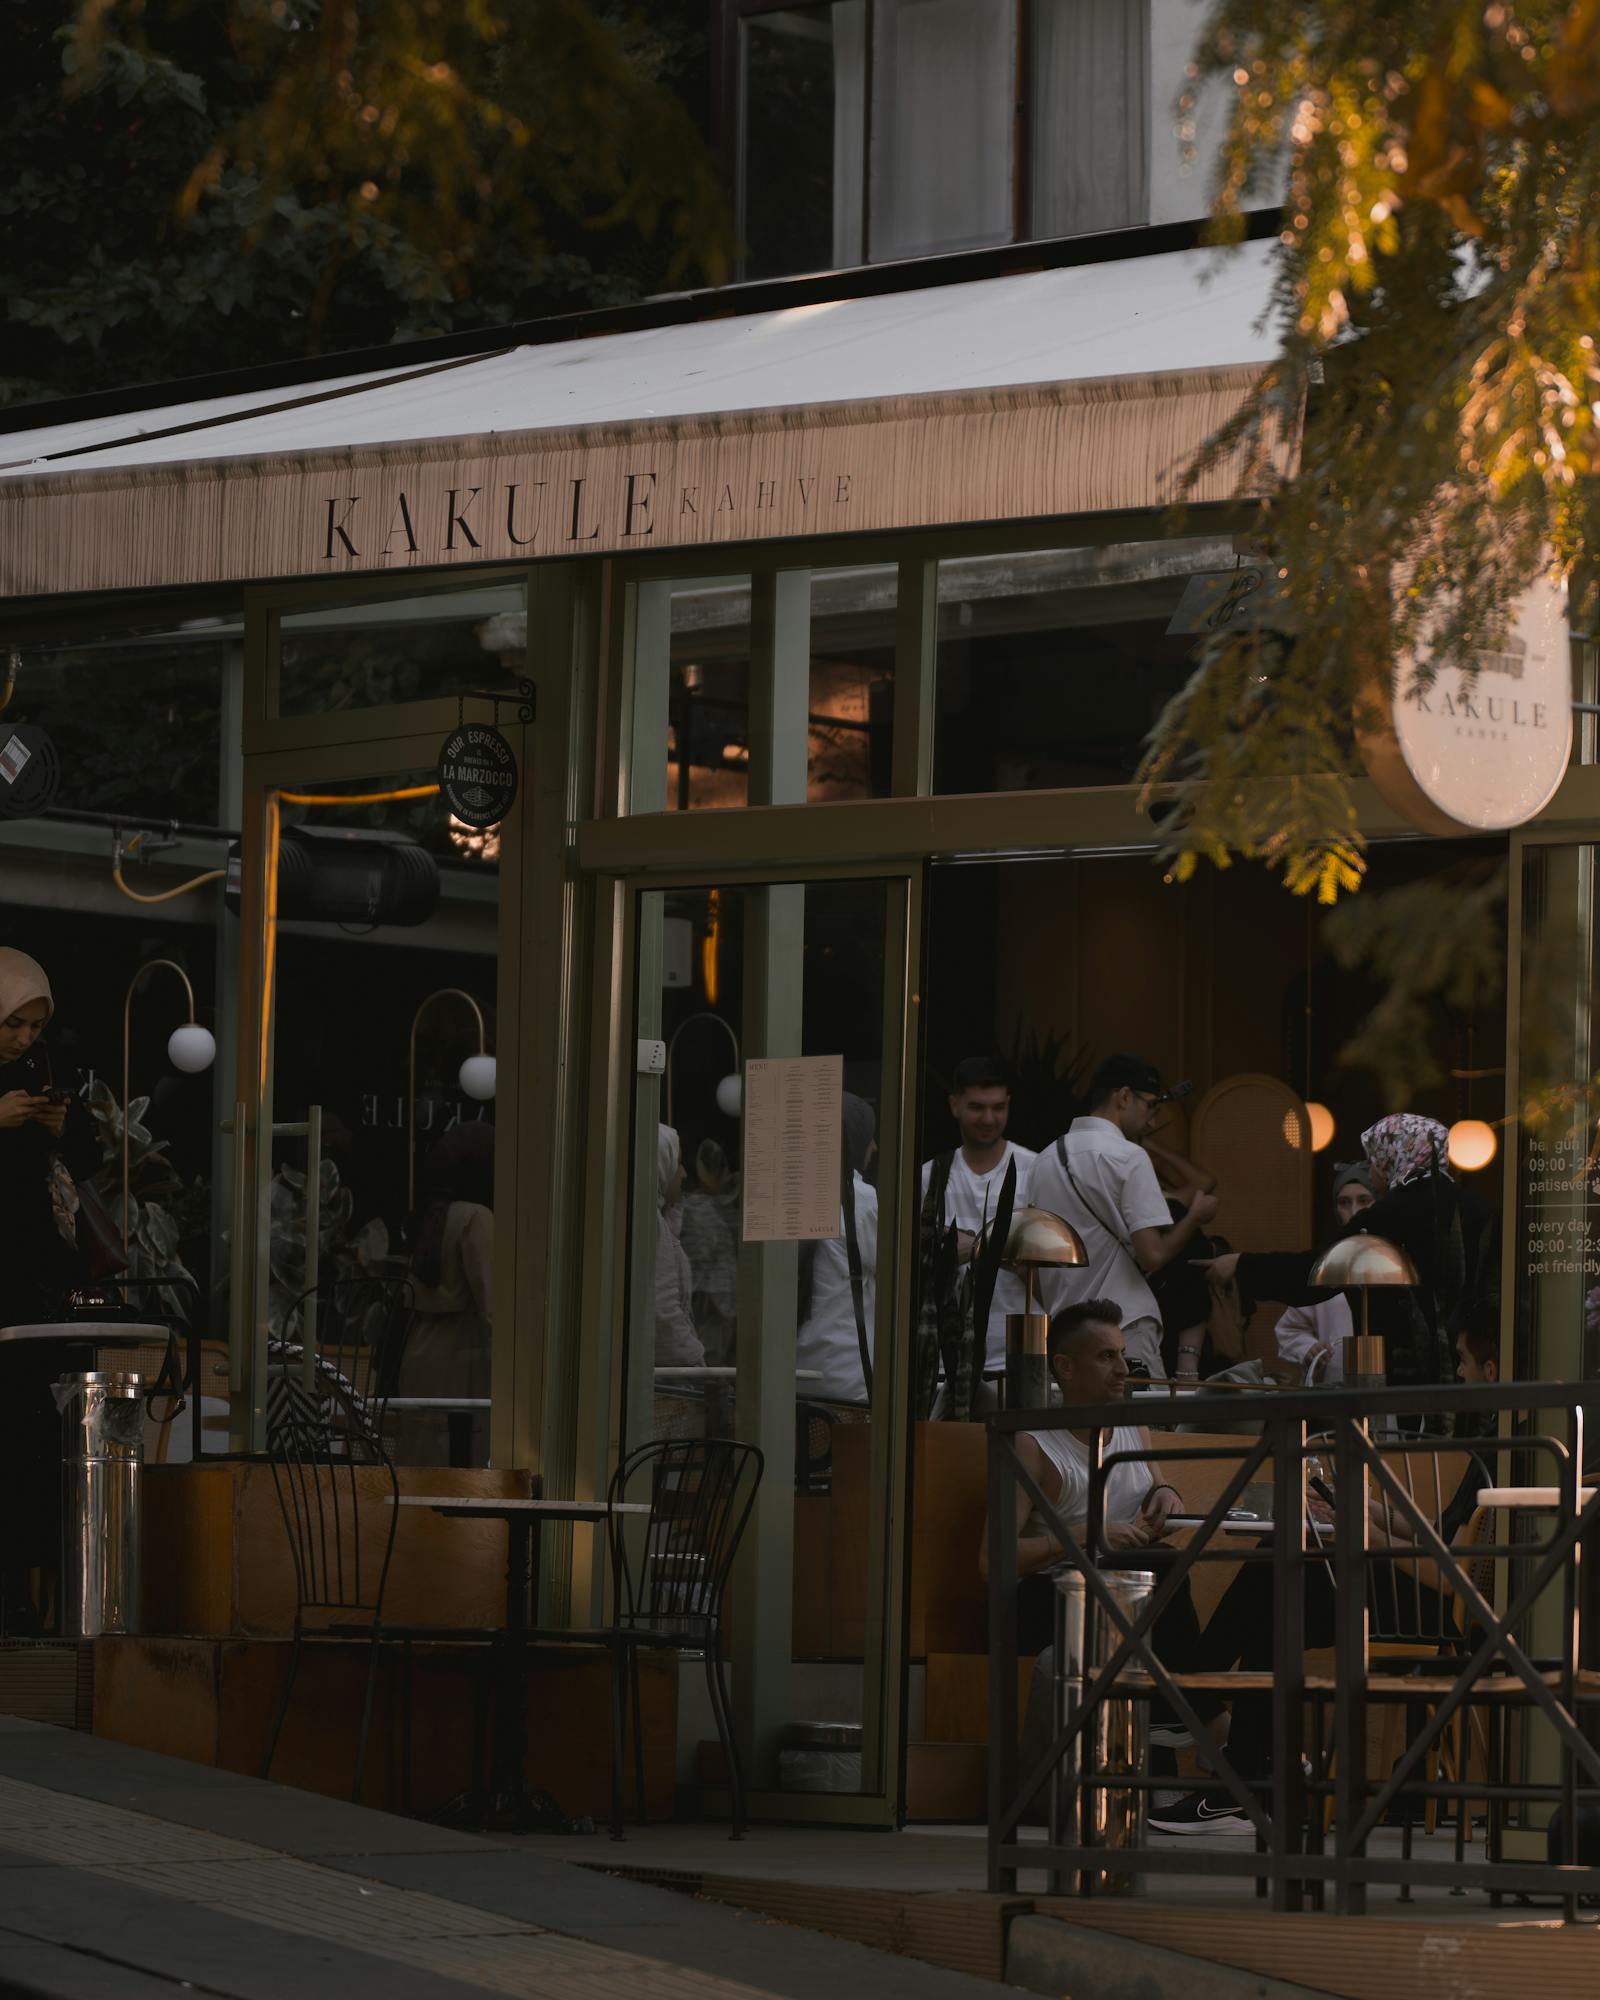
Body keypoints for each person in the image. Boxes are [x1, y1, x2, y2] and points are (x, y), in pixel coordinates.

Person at [1149, 1298, 1502, 1835]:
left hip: (1442, 1612)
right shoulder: (1501, 1434)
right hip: (1419, 1593)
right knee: (1280, 1581)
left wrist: (1368, 1534)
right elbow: (1444, 1539)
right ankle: (1252, 1771)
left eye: (1462, 1360)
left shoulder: (1514, 1449)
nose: (1455, 1371)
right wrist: (1364, 1507)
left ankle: (1199, 1710)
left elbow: (1459, 1575)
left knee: (1282, 1571)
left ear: (1491, 1371)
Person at [980, 1300, 1219, 1810]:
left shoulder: (1132, 1426)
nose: (1122, 1369)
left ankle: (1182, 1718)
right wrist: (1084, 1535)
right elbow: (991, 1558)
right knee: (1164, 1572)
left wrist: (1167, 1493)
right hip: (1049, 1602)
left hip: (1127, 1596)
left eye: (1123, 1356)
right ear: (1064, 1368)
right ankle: (1194, 1714)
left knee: (1166, 1573)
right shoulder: (1033, 1443)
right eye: (1106, 1357)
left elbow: (1153, 1493)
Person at [1201, 1113, 1496, 1392]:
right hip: (1479, 1367)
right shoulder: (1480, 1209)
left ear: (1390, 1157)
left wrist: (1242, 1265)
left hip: (1411, 1375)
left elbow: (1316, 1271)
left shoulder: (1391, 1213)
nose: (1371, 1168)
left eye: (1374, 1159)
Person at [1028, 1055, 1219, 1377]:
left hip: (1065, 1330)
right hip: (1124, 1326)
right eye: (1151, 1107)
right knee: (1139, 1426)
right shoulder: (1128, 1157)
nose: (1153, 1121)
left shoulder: (1043, 1161)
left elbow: (1030, 1262)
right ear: (1125, 1096)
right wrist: (1194, 1218)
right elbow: (1153, 1256)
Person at [919, 1056, 1036, 1375]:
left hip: (1018, 1350)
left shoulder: (1035, 1169)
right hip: (944, 1356)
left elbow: (1047, 1267)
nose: (988, 1118)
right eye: (977, 1107)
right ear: (954, 1105)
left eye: (998, 1107)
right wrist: (1005, 1248)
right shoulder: (928, 1177)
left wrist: (973, 1247)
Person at [0, 949, 88, 1326]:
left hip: (29, 1251)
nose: (24, 1039)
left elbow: (89, 1162)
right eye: (13, 1023)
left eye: (36, 1027)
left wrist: (60, 1129)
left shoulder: (42, 1063)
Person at [398, 1120, 494, 1464]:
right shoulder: (477, 1217)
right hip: (461, 1357)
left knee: (421, 1464)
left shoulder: (430, 1214)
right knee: (459, 1465)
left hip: (419, 1353)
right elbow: (492, 1303)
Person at [796, 1093, 878, 1406]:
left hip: (792, 1369)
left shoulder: (792, 1194)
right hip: (847, 1377)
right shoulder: (860, 1199)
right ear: (855, 1142)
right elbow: (899, 1266)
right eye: (869, 1138)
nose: (875, 1147)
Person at [1270, 1161, 1377, 1386]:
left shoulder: (1396, 1264)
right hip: (1333, 1391)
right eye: (1344, 1202)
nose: (1354, 1211)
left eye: (1364, 1200)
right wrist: (1308, 1348)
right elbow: (1290, 1328)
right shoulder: (1326, 1266)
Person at [679, 1136, 741, 1369]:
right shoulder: (694, 1210)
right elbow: (701, 1251)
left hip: (723, 1301)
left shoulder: (724, 1204)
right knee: (709, 1363)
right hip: (708, 1300)